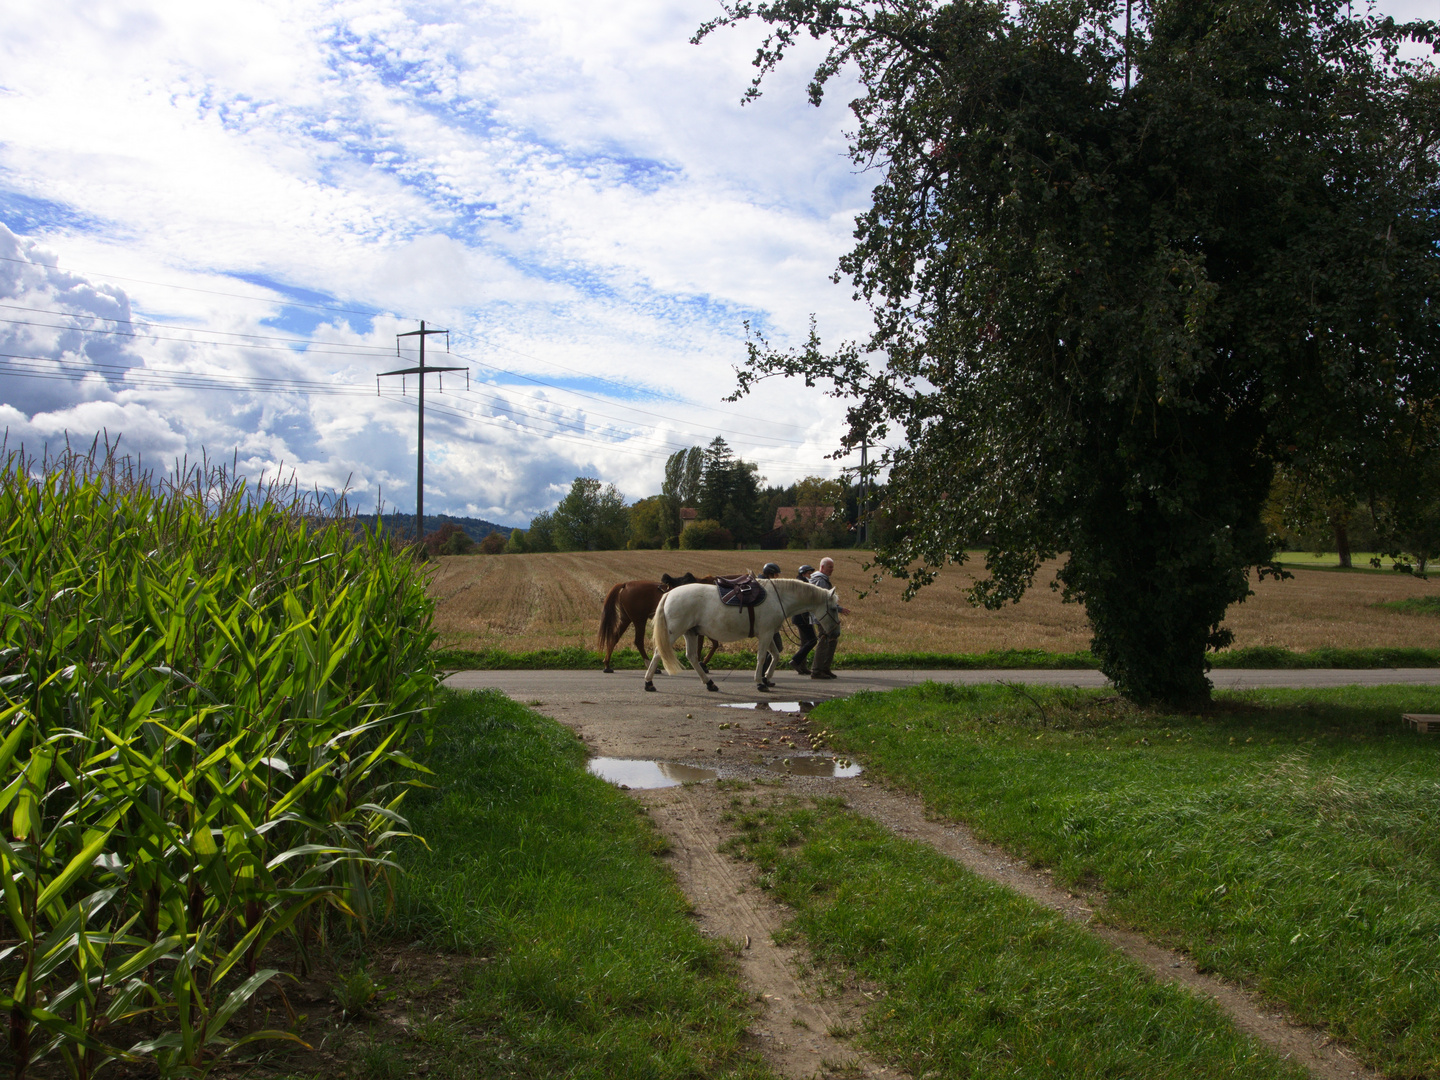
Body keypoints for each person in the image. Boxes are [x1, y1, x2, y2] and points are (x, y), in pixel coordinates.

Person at [807, 557, 845, 679]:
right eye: (830, 567)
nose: (832, 570)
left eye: (832, 567)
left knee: (831, 639)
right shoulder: (820, 580)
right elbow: (823, 600)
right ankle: (817, 670)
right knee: (824, 640)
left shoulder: (820, 579)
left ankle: (824, 668)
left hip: (823, 615)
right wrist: (839, 609)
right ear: (822, 567)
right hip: (822, 617)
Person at [789, 564, 818, 675]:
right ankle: (796, 660)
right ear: (803, 573)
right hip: (802, 617)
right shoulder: (803, 584)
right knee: (812, 640)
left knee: (805, 642)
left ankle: (802, 666)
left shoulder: (798, 583)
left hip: (799, 616)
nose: (810, 576)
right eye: (809, 573)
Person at [759, 562, 784, 679]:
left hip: (770, 622)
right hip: (767, 623)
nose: (777, 577)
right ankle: (763, 673)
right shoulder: (765, 585)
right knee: (776, 648)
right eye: (775, 575)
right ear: (770, 574)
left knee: (777, 648)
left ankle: (764, 673)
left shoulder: (767, 584)